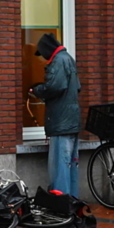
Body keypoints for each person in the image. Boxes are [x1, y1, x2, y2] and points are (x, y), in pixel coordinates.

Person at [32, 33, 81, 197]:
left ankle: (61, 207)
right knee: (70, 166)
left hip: (61, 124)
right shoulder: (68, 58)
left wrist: (37, 90)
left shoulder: (58, 61)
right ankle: (73, 204)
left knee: (60, 168)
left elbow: (55, 87)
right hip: (72, 122)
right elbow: (76, 87)